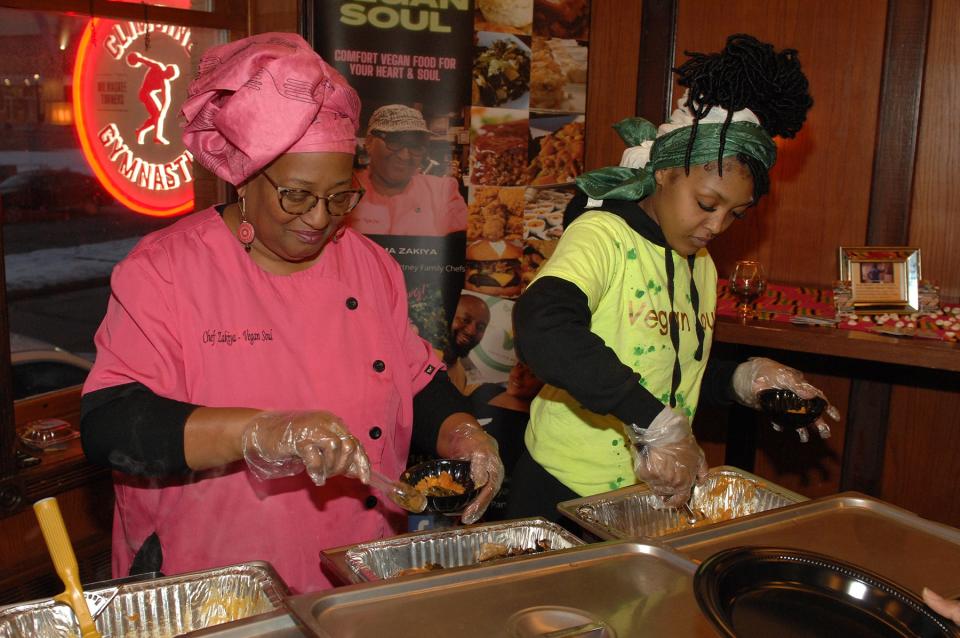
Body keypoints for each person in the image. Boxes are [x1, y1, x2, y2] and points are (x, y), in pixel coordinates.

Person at [79, 33, 503, 594]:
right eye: (298, 195)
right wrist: (260, 431)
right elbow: (109, 423)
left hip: (359, 563)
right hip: (216, 574)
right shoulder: (166, 270)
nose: (319, 219)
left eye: (338, 197)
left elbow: (415, 381)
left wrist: (465, 434)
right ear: (245, 175)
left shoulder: (370, 266)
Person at [506, 34, 838, 522]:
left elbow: (670, 364)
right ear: (663, 172)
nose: (716, 227)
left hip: (645, 494)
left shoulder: (698, 264)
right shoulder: (603, 235)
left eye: (735, 214)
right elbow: (544, 326)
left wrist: (745, 379)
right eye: (707, 204)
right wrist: (654, 421)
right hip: (564, 489)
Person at [349, 104, 469, 236]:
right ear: (370, 142)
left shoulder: (442, 192)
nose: (404, 156)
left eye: (415, 146)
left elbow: (462, 246)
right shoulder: (346, 190)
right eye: (394, 141)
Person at [439, 292, 491, 396]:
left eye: (480, 327)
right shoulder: (420, 355)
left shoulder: (462, 376)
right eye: (465, 320)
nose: (471, 331)